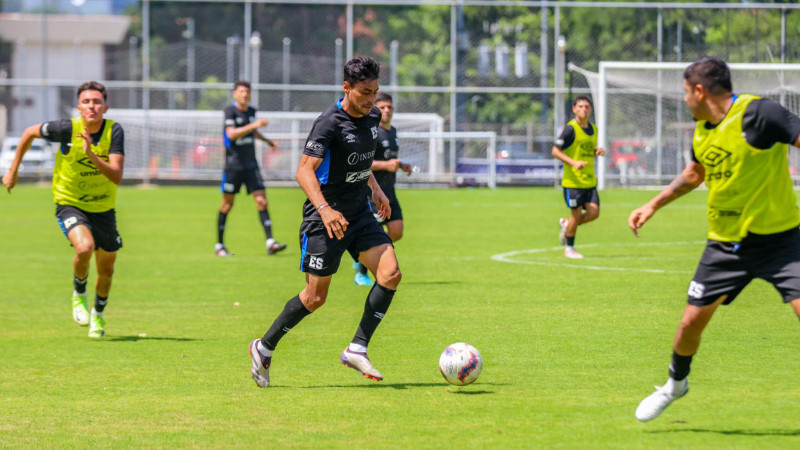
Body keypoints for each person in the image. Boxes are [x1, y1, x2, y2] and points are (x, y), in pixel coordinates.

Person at [629, 56, 800, 422]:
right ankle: (675, 385)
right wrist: (653, 205)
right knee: (690, 324)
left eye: (686, 92)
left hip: (781, 243)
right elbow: (695, 174)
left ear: (699, 90)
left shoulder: (759, 114)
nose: (685, 99)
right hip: (724, 246)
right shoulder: (703, 129)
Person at [248, 56, 402, 388]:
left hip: (359, 213)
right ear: (346, 88)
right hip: (325, 218)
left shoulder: (372, 116)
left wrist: (376, 189)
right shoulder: (328, 123)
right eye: (364, 92)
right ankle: (263, 347)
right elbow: (303, 171)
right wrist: (325, 210)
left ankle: (357, 347)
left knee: (390, 274)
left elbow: (361, 162)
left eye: (375, 92)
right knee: (315, 297)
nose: (371, 100)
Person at [2, 81, 125, 338]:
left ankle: (98, 316)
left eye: (97, 102)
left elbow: (116, 175)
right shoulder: (66, 129)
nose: (92, 106)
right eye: (87, 102)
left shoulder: (114, 131)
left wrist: (90, 154)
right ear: (79, 107)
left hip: (103, 208)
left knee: (107, 270)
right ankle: (78, 292)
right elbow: (28, 133)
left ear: (106, 107)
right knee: (84, 247)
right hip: (70, 202)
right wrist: (12, 170)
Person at [215, 80, 286, 257]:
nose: (244, 94)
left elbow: (252, 132)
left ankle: (270, 242)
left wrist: (267, 141)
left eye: (247, 91)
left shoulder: (252, 112)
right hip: (233, 166)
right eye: (241, 91)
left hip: (251, 165)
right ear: (235, 94)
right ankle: (220, 245)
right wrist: (254, 126)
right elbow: (231, 134)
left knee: (262, 201)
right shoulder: (229, 111)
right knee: (227, 204)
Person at [353, 91, 412, 286]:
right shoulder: (371, 132)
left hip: (390, 191)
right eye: (383, 107)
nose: (387, 111)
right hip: (373, 193)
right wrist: (385, 165)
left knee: (396, 231)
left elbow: (388, 157)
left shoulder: (392, 131)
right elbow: (361, 162)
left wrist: (401, 165)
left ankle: (362, 256)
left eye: (389, 107)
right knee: (375, 233)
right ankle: (361, 273)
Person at [551, 94, 606, 259]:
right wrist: (573, 163)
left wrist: (597, 151)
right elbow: (555, 151)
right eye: (580, 106)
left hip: (589, 181)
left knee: (594, 213)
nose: (584, 109)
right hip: (573, 181)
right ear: (574, 109)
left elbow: (586, 149)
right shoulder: (570, 129)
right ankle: (569, 248)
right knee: (575, 214)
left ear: (591, 109)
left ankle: (567, 225)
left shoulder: (594, 129)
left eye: (587, 107)